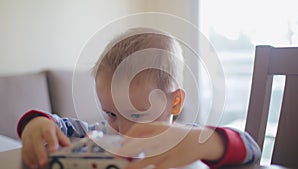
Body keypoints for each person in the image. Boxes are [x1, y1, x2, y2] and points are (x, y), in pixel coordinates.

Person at [17, 28, 261, 169]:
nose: (121, 129)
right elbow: (60, 127)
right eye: (111, 113)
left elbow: (251, 149)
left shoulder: (186, 142)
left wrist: (207, 143)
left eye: (135, 115)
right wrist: (37, 124)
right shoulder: (101, 136)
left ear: (175, 103)